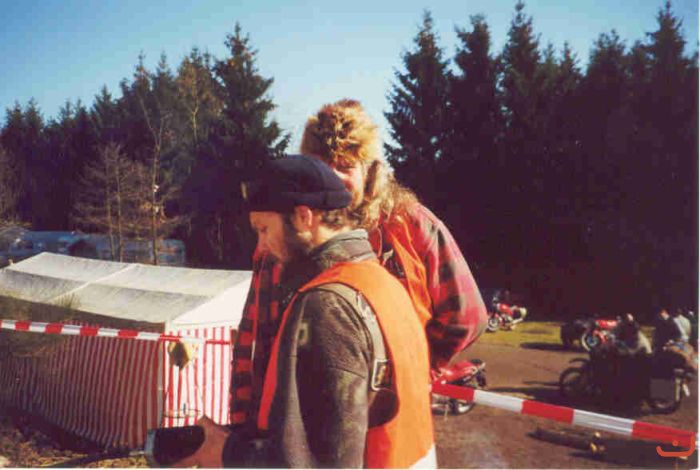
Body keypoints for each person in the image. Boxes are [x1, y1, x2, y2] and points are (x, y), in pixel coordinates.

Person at [231, 99, 488, 428]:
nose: (331, 175)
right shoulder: (282, 238)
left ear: (369, 171)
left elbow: (466, 316)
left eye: (344, 164)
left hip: (384, 421)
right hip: (296, 422)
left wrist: (419, 370)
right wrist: (242, 424)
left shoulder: (411, 226)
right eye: (321, 164)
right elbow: (253, 338)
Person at [175, 155, 435, 468]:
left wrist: (226, 452)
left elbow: (317, 462)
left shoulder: (325, 306)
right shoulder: (382, 284)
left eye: (264, 229)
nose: (261, 247)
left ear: (302, 217)